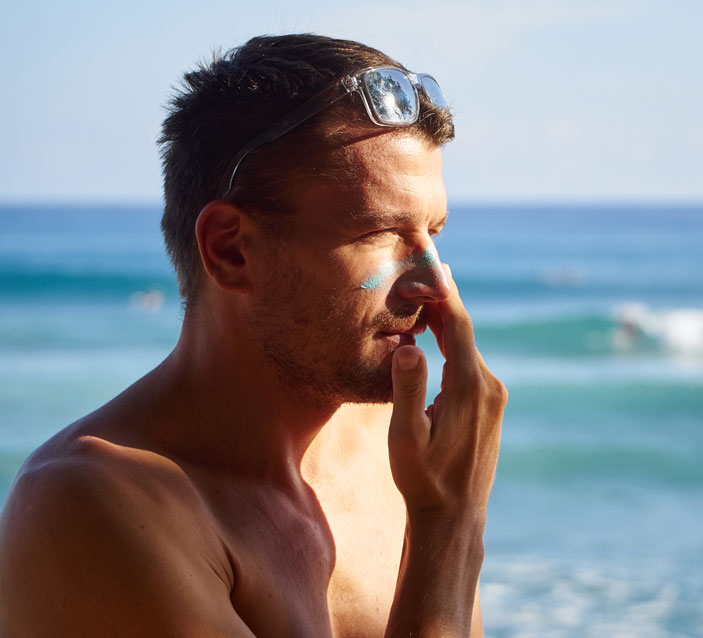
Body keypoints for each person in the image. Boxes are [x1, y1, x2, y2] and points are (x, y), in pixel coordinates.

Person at [0, 34, 507, 637]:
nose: (432, 281)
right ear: (231, 249)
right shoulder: (93, 507)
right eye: (382, 233)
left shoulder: (400, 452)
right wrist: (450, 524)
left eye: (433, 232)